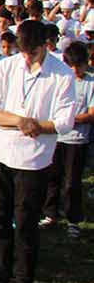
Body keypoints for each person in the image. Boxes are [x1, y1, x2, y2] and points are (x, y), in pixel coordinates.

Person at [0, 18, 77, 283]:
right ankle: (1, 272)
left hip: (33, 160)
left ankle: (23, 278)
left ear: (45, 46)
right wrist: (21, 121)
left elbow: (64, 121)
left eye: (32, 52)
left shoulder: (61, 74)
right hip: (1, 153)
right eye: (23, 51)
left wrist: (37, 125)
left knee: (25, 222)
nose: (26, 57)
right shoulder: (7, 66)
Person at [42, 41, 92, 238]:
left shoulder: (90, 83)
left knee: (72, 181)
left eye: (79, 66)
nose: (75, 70)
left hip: (76, 140)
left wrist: (69, 120)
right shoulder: (60, 80)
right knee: (52, 177)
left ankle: (73, 219)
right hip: (56, 136)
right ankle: (50, 213)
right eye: (71, 66)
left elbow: (90, 113)